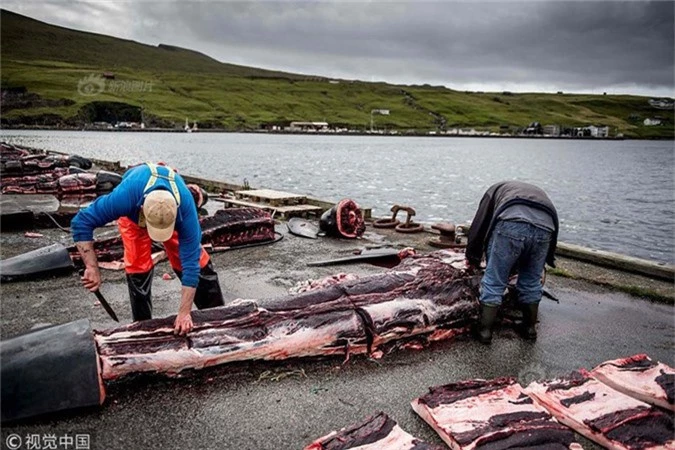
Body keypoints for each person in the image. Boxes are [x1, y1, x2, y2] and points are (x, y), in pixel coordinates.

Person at [71, 162, 224, 335]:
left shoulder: (186, 209)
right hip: (134, 213)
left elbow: (191, 263)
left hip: (167, 207)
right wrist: (91, 267)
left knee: (191, 258)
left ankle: (218, 315)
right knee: (137, 263)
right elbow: (81, 222)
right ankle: (144, 328)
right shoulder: (124, 198)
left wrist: (184, 312)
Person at [465, 181, 558, 344]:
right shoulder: (528, 190)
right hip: (546, 227)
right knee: (531, 280)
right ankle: (529, 329)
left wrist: (472, 256)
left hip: (512, 222)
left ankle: (484, 331)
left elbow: (479, 226)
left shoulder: (491, 192)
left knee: (495, 280)